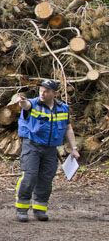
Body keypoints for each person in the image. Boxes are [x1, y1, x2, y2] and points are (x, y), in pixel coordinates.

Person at [15, 79, 79, 222]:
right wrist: (21, 103)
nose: (42, 94)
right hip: (32, 146)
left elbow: (68, 128)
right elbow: (26, 105)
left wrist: (73, 148)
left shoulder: (63, 108)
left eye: (46, 91)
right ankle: (22, 209)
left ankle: (40, 209)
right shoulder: (33, 104)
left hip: (50, 149)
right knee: (29, 176)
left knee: (46, 179)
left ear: (54, 93)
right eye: (41, 91)